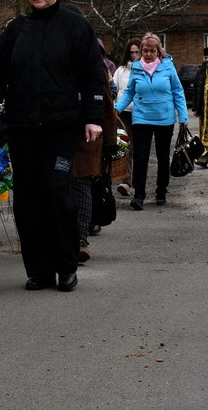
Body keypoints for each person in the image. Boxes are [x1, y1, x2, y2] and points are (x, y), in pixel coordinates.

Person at [0, 0, 104, 292]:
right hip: (22, 128)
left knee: (55, 188)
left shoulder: (76, 27)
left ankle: (66, 266)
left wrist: (93, 117)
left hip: (62, 127)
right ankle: (38, 269)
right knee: (28, 198)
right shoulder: (17, 30)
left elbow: (93, 74)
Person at [113, 32, 189, 209]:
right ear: (141, 51)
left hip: (165, 118)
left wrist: (183, 117)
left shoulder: (168, 66)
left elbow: (178, 92)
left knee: (163, 157)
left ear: (158, 51)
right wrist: (117, 108)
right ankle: (139, 195)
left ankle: (161, 191)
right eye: (145, 50)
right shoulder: (137, 67)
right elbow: (129, 92)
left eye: (152, 51)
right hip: (141, 118)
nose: (148, 54)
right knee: (140, 156)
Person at [73, 58, 117, 263]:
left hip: (88, 131)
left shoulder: (92, 60)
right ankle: (71, 239)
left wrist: (110, 140)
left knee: (82, 181)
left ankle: (80, 239)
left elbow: (106, 101)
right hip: (63, 129)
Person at [111, 38, 141, 195]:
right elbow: (114, 90)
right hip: (124, 114)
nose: (134, 55)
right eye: (132, 52)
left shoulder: (144, 69)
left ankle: (138, 182)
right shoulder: (121, 71)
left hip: (141, 114)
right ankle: (126, 181)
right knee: (126, 147)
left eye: (137, 52)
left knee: (140, 149)